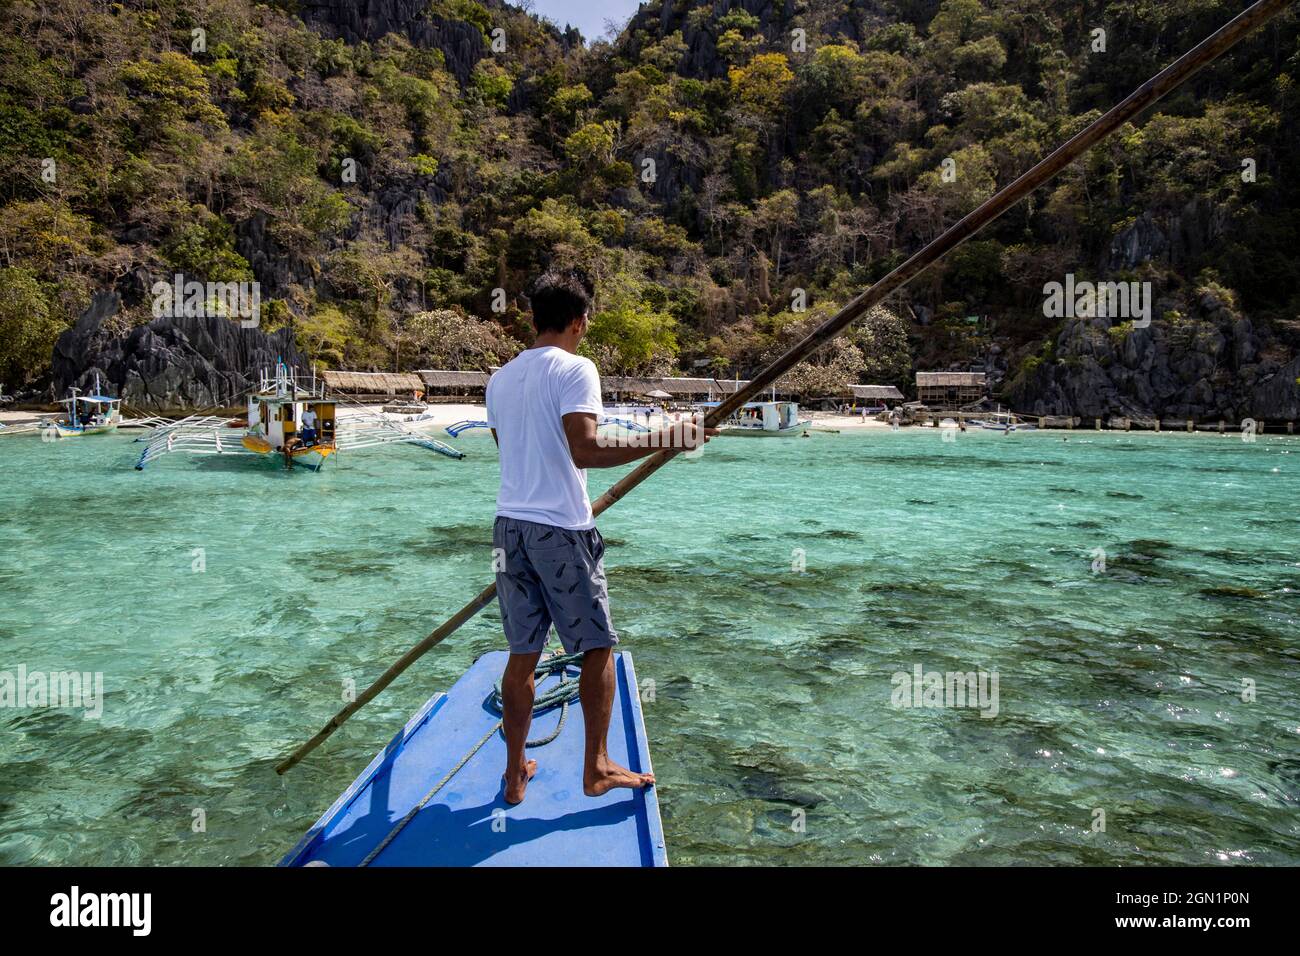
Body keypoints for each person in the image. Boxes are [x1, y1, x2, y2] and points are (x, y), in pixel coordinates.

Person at [486, 268, 717, 805]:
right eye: (586, 319)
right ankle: (596, 768)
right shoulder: (576, 368)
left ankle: (515, 773)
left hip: (508, 527)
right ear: (578, 321)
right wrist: (672, 436)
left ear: (533, 318)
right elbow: (584, 450)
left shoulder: (500, 379)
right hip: (561, 531)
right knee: (596, 647)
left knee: (522, 655)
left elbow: (512, 451)